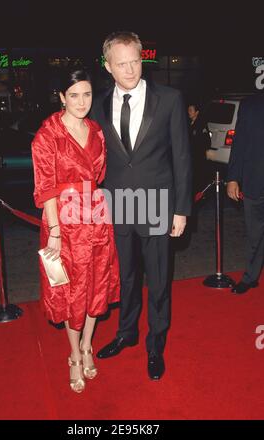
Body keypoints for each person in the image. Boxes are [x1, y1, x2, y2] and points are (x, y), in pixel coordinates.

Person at [91, 31, 192, 380]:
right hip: (117, 206)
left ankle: (156, 343)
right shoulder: (99, 104)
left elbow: (182, 156)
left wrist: (181, 210)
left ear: (141, 58)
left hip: (157, 205)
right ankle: (126, 333)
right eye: (121, 64)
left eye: (135, 60)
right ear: (108, 66)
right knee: (127, 277)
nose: (130, 69)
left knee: (160, 278)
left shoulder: (169, 99)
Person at [31, 68, 120, 393]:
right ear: (61, 97)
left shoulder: (96, 131)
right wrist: (54, 230)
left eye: (87, 94)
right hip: (63, 224)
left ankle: (86, 344)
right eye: (74, 95)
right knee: (70, 291)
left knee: (96, 285)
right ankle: (73, 355)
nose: (81, 102)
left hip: (96, 216)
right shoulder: (47, 135)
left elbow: (100, 175)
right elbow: (45, 188)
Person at [227, 93, 264, 294]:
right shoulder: (250, 104)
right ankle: (250, 276)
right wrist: (233, 178)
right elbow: (239, 142)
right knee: (254, 235)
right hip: (254, 181)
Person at [188, 103, 211, 194]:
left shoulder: (201, 124)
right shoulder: (189, 123)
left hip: (198, 156)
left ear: (196, 112)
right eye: (188, 110)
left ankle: (200, 193)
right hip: (190, 155)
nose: (189, 112)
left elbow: (206, 141)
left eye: (191, 110)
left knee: (199, 176)